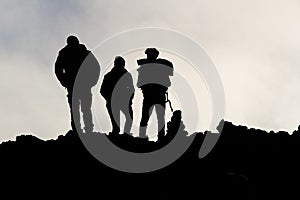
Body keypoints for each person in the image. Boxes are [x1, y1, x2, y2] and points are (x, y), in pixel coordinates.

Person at [55, 35, 100, 133]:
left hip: (80, 84)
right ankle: (82, 130)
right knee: (81, 108)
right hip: (75, 85)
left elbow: (96, 67)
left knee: (81, 108)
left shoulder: (83, 53)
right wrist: (64, 81)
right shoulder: (66, 53)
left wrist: (91, 81)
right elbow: (58, 69)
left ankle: (84, 129)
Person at [137, 48, 174, 140]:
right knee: (159, 118)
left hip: (149, 96)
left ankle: (142, 136)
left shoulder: (144, 68)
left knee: (146, 117)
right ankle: (160, 137)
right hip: (158, 95)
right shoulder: (162, 67)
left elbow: (139, 84)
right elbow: (168, 82)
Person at [100, 56, 135, 135]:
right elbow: (102, 90)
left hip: (123, 101)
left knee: (128, 118)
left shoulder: (126, 75)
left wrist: (129, 98)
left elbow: (132, 89)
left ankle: (125, 133)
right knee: (118, 120)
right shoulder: (109, 76)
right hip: (115, 101)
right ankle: (120, 134)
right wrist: (109, 98)